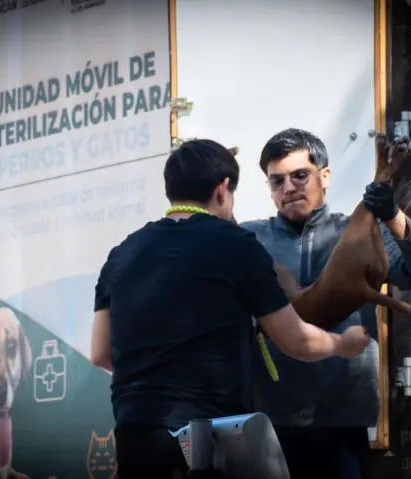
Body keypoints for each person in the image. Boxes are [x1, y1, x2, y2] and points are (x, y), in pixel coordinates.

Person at [89, 139, 372, 479]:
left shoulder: (120, 255)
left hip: (135, 434)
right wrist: (344, 344)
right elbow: (297, 341)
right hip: (209, 440)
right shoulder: (237, 246)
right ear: (223, 189)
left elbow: (100, 353)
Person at [240, 128, 411, 479]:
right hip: (269, 424)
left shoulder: (359, 232)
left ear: (324, 176)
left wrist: (394, 217)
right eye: (276, 181)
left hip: (344, 421)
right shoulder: (249, 240)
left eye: (300, 175)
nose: (288, 188)